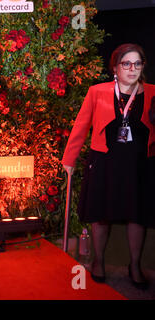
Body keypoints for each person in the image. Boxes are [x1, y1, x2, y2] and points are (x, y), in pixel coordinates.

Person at [62, 43, 155, 290]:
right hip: (104, 161)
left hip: (139, 164)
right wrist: (69, 159)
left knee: (138, 215)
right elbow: (81, 126)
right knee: (100, 215)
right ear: (115, 67)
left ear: (143, 66)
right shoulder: (98, 92)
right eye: (126, 63)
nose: (132, 68)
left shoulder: (153, 92)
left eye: (137, 63)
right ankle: (98, 260)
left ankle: (134, 265)